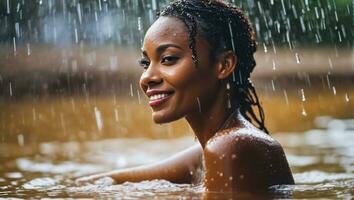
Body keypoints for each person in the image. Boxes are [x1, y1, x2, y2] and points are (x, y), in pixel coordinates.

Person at [77, 0, 294, 193]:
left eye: (168, 59)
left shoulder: (230, 146)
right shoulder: (208, 151)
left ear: (224, 65)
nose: (147, 78)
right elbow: (102, 182)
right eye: (146, 63)